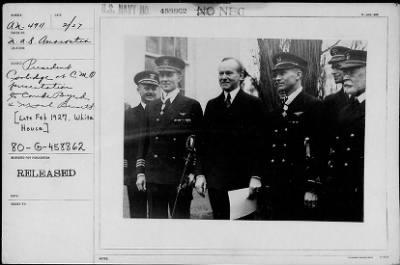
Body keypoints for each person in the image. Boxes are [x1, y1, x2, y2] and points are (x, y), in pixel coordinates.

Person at [195, 57, 265, 220]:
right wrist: (200, 174)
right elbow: (203, 144)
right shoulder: (212, 105)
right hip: (216, 183)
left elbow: (261, 144)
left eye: (229, 73)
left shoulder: (254, 105)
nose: (224, 77)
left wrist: (256, 176)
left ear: (241, 76)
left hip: (243, 183)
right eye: (221, 73)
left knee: (242, 228)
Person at [136, 56, 203, 219]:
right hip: (154, 177)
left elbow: (200, 143)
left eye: (169, 75)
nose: (165, 79)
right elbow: (143, 142)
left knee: (180, 225)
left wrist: (196, 172)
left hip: (180, 177)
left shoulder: (191, 105)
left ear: (179, 77)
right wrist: (140, 172)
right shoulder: (152, 106)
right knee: (156, 226)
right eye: (162, 75)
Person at [261, 52, 324, 220]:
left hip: (299, 189)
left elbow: (319, 149)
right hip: (275, 188)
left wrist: (312, 188)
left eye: (282, 73)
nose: (277, 78)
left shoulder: (314, 106)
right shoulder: (275, 112)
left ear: (298, 75)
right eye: (275, 74)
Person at [324, 50, 366, 221]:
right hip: (341, 188)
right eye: (345, 71)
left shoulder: (381, 106)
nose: (345, 76)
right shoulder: (344, 108)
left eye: (352, 71)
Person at [124, 70, 160, 218]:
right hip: (133, 173)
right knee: (137, 213)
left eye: (153, 88)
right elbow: (125, 145)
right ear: (138, 89)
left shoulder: (162, 114)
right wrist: (125, 172)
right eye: (146, 87)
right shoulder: (128, 115)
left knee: (157, 215)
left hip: (157, 175)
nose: (150, 91)